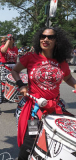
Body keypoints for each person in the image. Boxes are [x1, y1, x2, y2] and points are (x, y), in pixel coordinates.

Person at [11, 27, 75, 160]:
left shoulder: (61, 62)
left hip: (55, 108)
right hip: (34, 110)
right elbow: (15, 71)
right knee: (29, 143)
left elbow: (68, 78)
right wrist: (21, 85)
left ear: (57, 41)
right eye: (43, 36)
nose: (45, 39)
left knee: (54, 144)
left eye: (50, 37)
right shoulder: (30, 57)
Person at [0, 34, 18, 115]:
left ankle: (18, 106)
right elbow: (4, 51)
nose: (9, 40)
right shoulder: (1, 47)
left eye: (11, 39)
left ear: (13, 40)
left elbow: (16, 60)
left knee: (15, 87)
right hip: (4, 68)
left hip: (13, 69)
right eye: (8, 39)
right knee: (1, 87)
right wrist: (8, 40)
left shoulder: (15, 49)